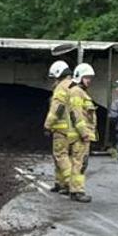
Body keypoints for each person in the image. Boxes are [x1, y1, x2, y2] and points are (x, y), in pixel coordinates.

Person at [63, 63, 100, 201]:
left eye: (90, 78)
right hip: (79, 136)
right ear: (79, 77)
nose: (89, 80)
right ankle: (77, 191)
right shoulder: (77, 92)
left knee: (80, 163)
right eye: (86, 77)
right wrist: (84, 133)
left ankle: (74, 189)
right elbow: (77, 114)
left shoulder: (80, 92)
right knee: (79, 163)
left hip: (80, 135)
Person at [42, 60, 78, 195]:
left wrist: (47, 125)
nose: (54, 81)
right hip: (74, 128)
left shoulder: (61, 88)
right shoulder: (75, 86)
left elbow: (56, 109)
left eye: (54, 77)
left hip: (61, 129)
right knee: (65, 155)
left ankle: (69, 184)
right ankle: (59, 183)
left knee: (60, 155)